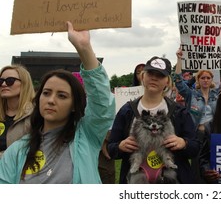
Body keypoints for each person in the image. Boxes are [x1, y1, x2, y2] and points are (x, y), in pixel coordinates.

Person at [0, 21, 115, 183]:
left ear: (75, 105)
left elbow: (101, 102)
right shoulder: (16, 151)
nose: (51, 100)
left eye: (62, 96)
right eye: (46, 93)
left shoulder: (86, 137)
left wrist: (84, 48)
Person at [108, 56, 200, 184]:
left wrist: (184, 143)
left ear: (167, 81)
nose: (154, 78)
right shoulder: (127, 111)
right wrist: (120, 146)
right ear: (142, 77)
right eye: (150, 73)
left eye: (160, 75)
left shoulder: (179, 112)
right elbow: (111, 148)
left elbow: (195, 147)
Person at [173, 45, 221, 131]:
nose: (205, 80)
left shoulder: (217, 93)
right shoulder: (191, 94)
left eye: (208, 78)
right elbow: (178, 82)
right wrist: (179, 59)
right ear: (198, 80)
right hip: (195, 133)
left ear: (212, 80)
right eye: (202, 78)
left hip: (215, 132)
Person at [0, 65, 35, 158]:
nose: (3, 84)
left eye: (10, 81)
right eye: (1, 81)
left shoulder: (35, 114)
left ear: (24, 83)